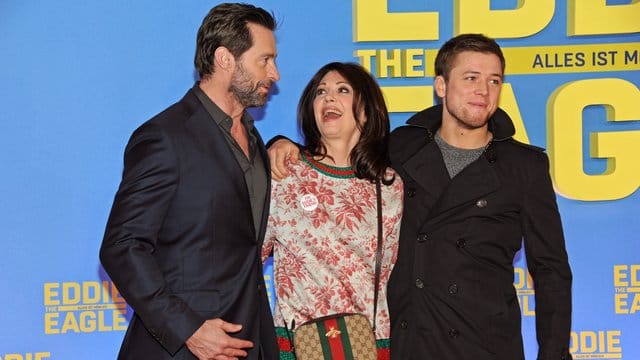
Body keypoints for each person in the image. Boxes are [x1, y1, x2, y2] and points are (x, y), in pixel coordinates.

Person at [268, 34, 573, 360]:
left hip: (484, 344)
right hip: (408, 343)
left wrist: (554, 355)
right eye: (471, 78)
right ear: (440, 86)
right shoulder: (401, 147)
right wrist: (283, 145)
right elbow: (339, 155)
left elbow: (551, 270)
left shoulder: (524, 167)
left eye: (494, 80)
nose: (483, 90)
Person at [100, 3, 280, 359]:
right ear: (225, 59)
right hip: (184, 348)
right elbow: (122, 246)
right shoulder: (165, 137)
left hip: (249, 341)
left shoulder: (256, 140)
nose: (274, 73)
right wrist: (188, 330)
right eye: (265, 60)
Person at [262, 62, 403, 359]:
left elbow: (391, 272)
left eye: (342, 90)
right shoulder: (285, 173)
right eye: (321, 92)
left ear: (366, 110)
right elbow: (245, 256)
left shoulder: (388, 185)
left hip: (365, 344)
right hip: (298, 344)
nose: (328, 98)